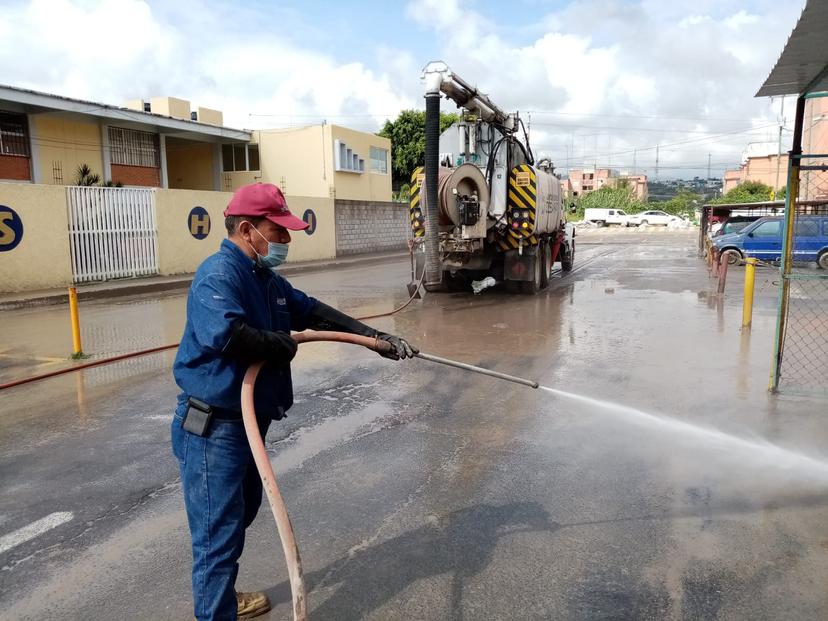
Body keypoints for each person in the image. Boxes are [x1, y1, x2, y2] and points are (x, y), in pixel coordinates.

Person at [171, 183, 416, 620]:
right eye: (278, 231)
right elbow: (227, 336)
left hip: (248, 426)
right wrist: (278, 343)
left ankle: (221, 596)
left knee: (237, 516)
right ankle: (215, 609)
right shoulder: (219, 275)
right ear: (248, 230)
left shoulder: (266, 279)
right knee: (217, 533)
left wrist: (374, 338)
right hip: (215, 428)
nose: (286, 240)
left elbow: (314, 312)